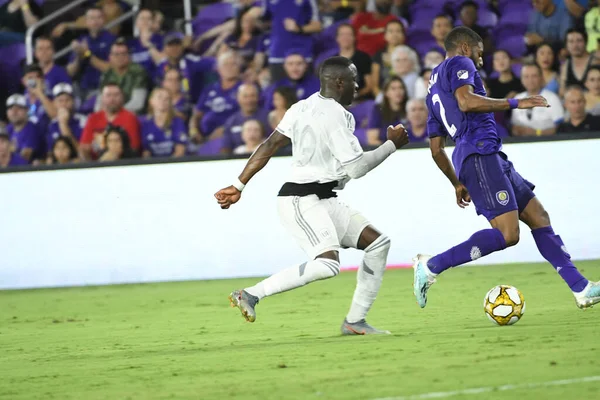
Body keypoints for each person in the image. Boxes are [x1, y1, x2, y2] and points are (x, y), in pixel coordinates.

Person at [215, 56, 409, 333]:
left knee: (378, 244)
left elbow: (269, 145)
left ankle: (355, 322)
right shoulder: (335, 117)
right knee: (328, 264)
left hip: (323, 198)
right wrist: (391, 144)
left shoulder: (301, 107)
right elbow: (356, 168)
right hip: (300, 199)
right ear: (340, 82)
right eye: (354, 80)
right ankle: (251, 294)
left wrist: (239, 185)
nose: (358, 86)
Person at [414, 26, 600, 311]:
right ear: (465, 47)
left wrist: (456, 183)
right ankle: (431, 266)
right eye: (478, 52)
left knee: (538, 215)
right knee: (508, 234)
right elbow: (466, 102)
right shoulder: (459, 63)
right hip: (479, 154)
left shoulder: (433, 90)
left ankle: (581, 288)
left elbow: (436, 150)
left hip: (487, 155)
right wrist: (515, 102)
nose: (480, 59)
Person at [261, 0, 322, 82]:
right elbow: (263, 21)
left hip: (302, 54)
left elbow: (318, 26)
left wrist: (299, 28)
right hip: (278, 54)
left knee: (307, 90)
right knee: (279, 91)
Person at [189, 51, 243, 143]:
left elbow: (248, 115)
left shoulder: (244, 89)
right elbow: (196, 115)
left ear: (239, 68)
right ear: (218, 69)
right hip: (205, 137)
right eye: (225, 64)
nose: (229, 68)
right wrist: (194, 131)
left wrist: (225, 129)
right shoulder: (209, 89)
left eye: (233, 64)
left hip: (233, 135)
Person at [66, 7, 116, 100]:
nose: (95, 21)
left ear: (104, 20)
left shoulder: (111, 40)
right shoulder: (81, 40)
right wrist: (78, 55)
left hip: (102, 89)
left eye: (99, 17)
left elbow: (110, 69)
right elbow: (70, 72)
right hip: (82, 87)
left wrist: (87, 54)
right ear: (86, 21)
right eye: (92, 18)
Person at [80, 83, 140, 160]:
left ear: (122, 97)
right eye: (108, 95)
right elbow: (84, 147)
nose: (112, 99)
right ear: (102, 98)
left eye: (116, 95)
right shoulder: (93, 118)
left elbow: (134, 147)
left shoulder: (130, 118)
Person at [154, 33, 215, 105]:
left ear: (182, 46)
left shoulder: (191, 61)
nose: (174, 48)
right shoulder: (161, 66)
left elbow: (216, 63)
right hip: (170, 105)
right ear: (164, 48)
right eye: (170, 45)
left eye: (177, 44)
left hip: (194, 104)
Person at [96, 39, 148, 114]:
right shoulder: (107, 74)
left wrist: (116, 114)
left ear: (129, 56)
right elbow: (100, 100)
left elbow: (138, 103)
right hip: (110, 114)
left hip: (133, 115)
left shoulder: (138, 72)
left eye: (124, 54)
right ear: (110, 57)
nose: (120, 57)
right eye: (116, 54)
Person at [512, 63, 564, 136]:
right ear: (521, 79)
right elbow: (514, 126)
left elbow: (560, 127)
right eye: (526, 76)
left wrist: (537, 132)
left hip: (548, 142)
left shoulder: (552, 98)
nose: (530, 80)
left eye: (534, 76)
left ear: (541, 77)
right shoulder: (517, 98)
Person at [140, 88, 187, 158]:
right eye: (159, 97)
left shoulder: (177, 122)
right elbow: (146, 151)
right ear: (151, 101)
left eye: (167, 99)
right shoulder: (145, 124)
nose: (163, 100)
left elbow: (180, 151)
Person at [222, 83, 269, 154]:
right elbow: (225, 148)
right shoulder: (231, 121)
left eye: (252, 96)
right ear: (238, 98)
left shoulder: (269, 117)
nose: (249, 100)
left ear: (258, 97)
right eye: (245, 96)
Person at [45, 83, 86, 161]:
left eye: (67, 100)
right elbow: (50, 152)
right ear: (55, 103)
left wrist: (63, 124)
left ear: (73, 101)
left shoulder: (82, 121)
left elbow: (81, 153)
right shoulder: (52, 125)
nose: (64, 104)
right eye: (60, 101)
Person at [334, 23, 373, 100]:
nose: (345, 38)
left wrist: (356, 95)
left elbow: (369, 86)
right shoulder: (333, 61)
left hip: (360, 100)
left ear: (354, 37)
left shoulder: (363, 57)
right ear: (337, 38)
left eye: (349, 34)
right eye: (342, 34)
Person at [367, 76, 407, 145]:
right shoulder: (378, 110)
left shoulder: (412, 108)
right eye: (393, 89)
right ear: (386, 93)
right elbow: (372, 140)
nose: (398, 92)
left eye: (400, 88)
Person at [371, 20, 406, 98]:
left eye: (398, 31)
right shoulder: (378, 55)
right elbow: (374, 85)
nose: (394, 34)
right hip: (384, 98)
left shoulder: (410, 54)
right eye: (391, 31)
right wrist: (383, 100)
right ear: (385, 35)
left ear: (403, 35)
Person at [560, 29, 598, 97]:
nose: (575, 45)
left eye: (579, 41)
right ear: (566, 45)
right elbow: (562, 91)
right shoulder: (565, 65)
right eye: (571, 41)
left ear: (586, 42)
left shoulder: (596, 62)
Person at [5, 94, 42, 162]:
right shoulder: (8, 129)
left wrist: (9, 151)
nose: (14, 112)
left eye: (18, 108)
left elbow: (25, 157)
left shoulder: (32, 129)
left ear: (26, 110)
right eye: (11, 108)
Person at [129, 8, 164, 79]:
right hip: (135, 82)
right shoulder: (130, 43)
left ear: (152, 22)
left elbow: (163, 62)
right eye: (142, 18)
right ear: (136, 23)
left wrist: (147, 44)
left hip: (155, 81)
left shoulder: (161, 39)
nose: (145, 21)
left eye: (149, 18)